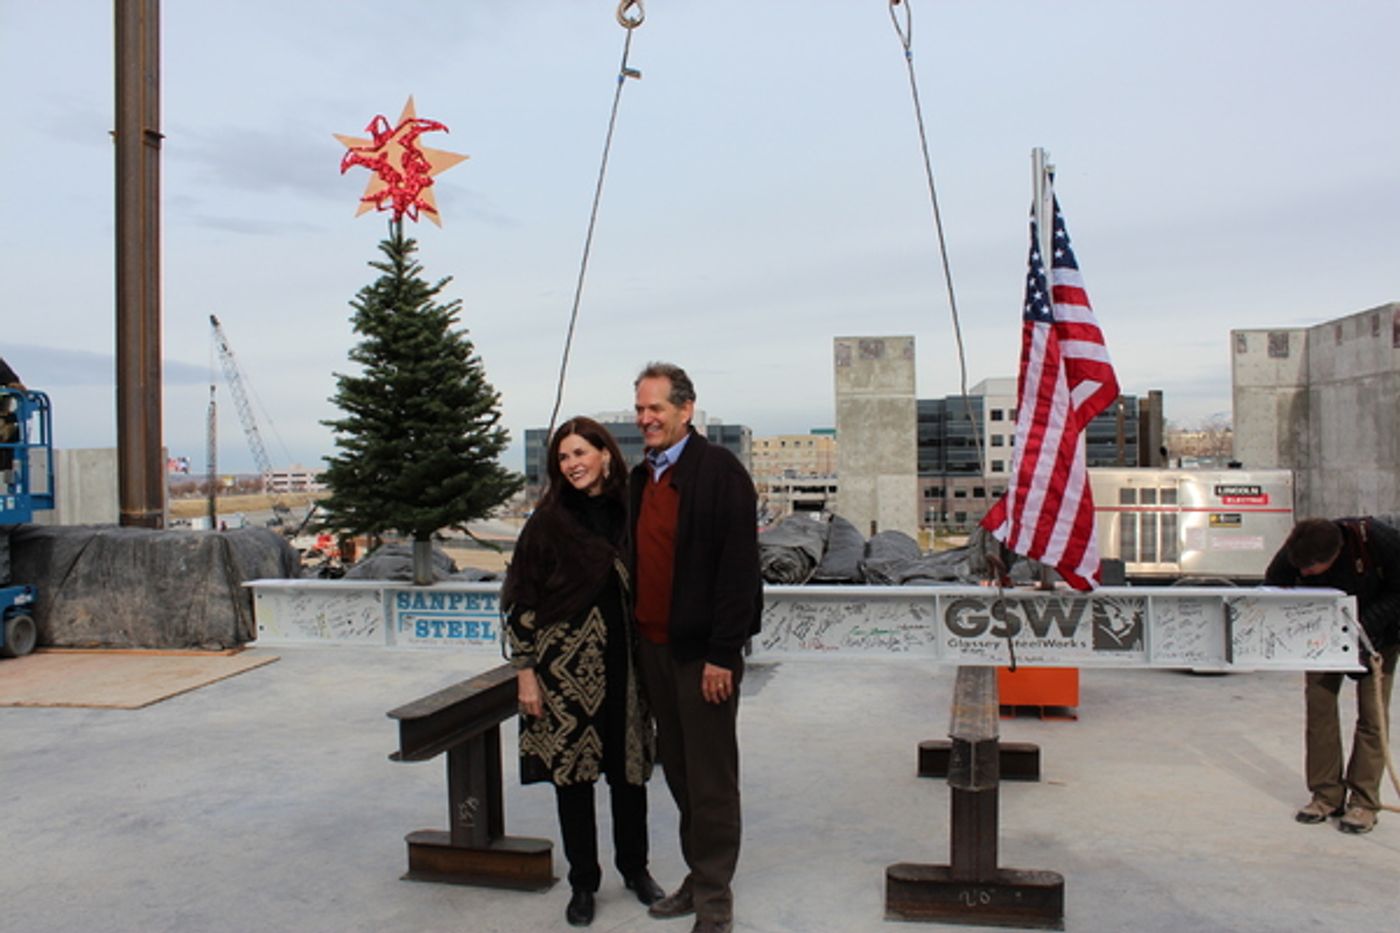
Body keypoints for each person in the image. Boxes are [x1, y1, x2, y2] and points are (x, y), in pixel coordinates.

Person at [502, 417, 664, 927]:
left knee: (629, 774)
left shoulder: (631, 510)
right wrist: (526, 673)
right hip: (562, 673)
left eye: (580, 453)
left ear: (605, 455)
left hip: (627, 666)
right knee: (572, 780)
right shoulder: (547, 523)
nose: (572, 464)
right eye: (563, 458)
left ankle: (635, 870)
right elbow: (521, 603)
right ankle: (583, 882)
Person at [629, 363, 762, 933]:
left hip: (701, 656)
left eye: (656, 408)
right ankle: (697, 874)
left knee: (710, 778)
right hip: (653, 649)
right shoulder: (643, 478)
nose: (645, 419)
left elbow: (739, 575)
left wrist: (723, 655)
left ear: (686, 409)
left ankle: (714, 898)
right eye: (640, 409)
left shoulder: (720, 474)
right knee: (679, 772)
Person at [1265, 516, 1400, 834]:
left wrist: (1362, 627)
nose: (1303, 574)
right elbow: (1273, 585)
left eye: (1310, 570)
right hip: (1321, 636)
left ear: (1334, 556)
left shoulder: (1383, 543)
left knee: (1372, 716)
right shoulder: (1298, 549)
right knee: (1320, 708)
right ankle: (1326, 796)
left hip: (1378, 636)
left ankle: (1364, 803)